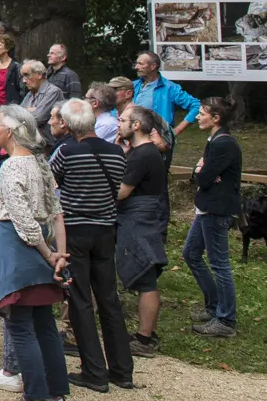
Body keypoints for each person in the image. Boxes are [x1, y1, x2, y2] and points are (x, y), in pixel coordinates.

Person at [0, 104, 71, 401]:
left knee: (20, 326)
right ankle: (56, 391)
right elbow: (56, 213)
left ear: (10, 131)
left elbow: (23, 222)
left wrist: (50, 256)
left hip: (20, 249)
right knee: (44, 323)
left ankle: (36, 395)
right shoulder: (39, 163)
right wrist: (60, 254)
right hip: (39, 249)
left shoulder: (12, 166)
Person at [50, 99, 135, 391]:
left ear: (68, 124)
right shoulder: (116, 152)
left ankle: (94, 371)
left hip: (76, 229)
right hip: (106, 228)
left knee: (80, 299)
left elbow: (51, 184)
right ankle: (122, 370)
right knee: (109, 298)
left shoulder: (66, 151)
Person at [115, 105, 171, 356]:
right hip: (144, 217)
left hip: (139, 221)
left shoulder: (143, 155)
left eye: (124, 120)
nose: (119, 123)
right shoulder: (143, 151)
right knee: (146, 278)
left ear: (136, 125)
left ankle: (144, 339)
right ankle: (145, 334)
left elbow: (121, 192)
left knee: (146, 278)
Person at [183, 96, 240, 338]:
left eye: (202, 113)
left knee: (219, 264)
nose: (197, 116)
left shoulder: (222, 144)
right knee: (191, 254)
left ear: (215, 118)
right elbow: (203, 176)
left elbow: (202, 178)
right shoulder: (214, 140)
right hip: (206, 205)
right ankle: (213, 306)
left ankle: (225, 320)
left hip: (216, 209)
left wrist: (200, 171)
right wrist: (202, 173)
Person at [131, 50, 201, 144]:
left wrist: (178, 130)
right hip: (133, 137)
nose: (136, 67)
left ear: (153, 66)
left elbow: (196, 105)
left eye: (140, 64)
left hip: (157, 141)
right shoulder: (133, 85)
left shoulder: (170, 88)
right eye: (136, 63)